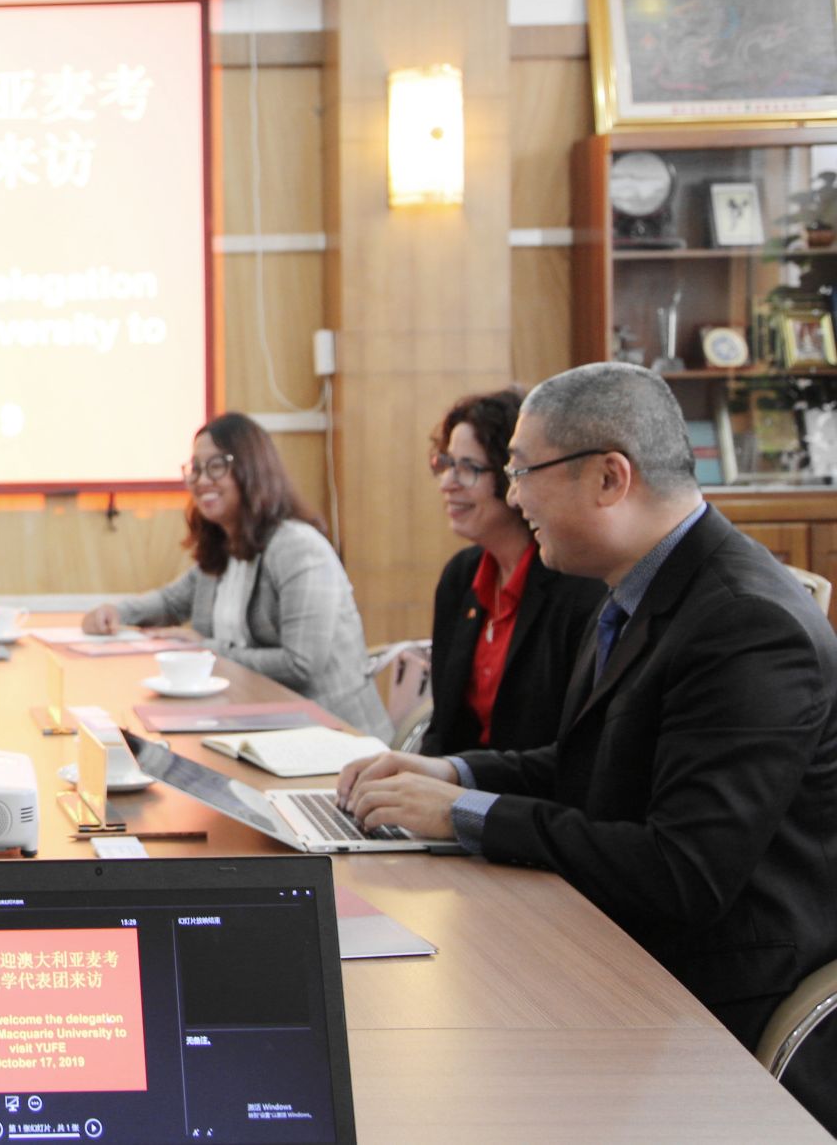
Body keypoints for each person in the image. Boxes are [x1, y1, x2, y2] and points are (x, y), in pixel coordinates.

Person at [339, 362, 837, 1131]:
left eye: (522, 471)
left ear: (610, 477)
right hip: (620, 941)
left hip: (710, 988)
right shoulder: (640, 588)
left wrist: (466, 814)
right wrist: (451, 772)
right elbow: (590, 763)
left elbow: (682, 872)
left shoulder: (746, 622)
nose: (513, 498)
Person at [82, 412, 389, 737]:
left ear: (253, 469)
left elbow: (301, 665)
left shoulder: (298, 548)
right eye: (195, 468)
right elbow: (170, 602)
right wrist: (115, 612)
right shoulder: (225, 546)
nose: (201, 480)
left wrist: (208, 650)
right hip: (258, 723)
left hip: (334, 735)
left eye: (217, 466)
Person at [423, 387, 604, 755]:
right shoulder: (460, 576)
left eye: (468, 468)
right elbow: (443, 728)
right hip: (456, 781)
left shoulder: (577, 584)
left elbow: (572, 751)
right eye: (446, 463)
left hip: (532, 787)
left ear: (515, 477)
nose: (447, 483)